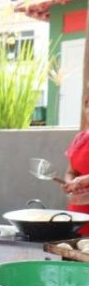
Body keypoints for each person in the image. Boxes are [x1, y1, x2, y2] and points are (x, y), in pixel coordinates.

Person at [62, 98, 89, 234]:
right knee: (75, 250)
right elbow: (71, 171)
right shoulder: (80, 138)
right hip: (78, 212)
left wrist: (85, 180)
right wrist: (70, 182)